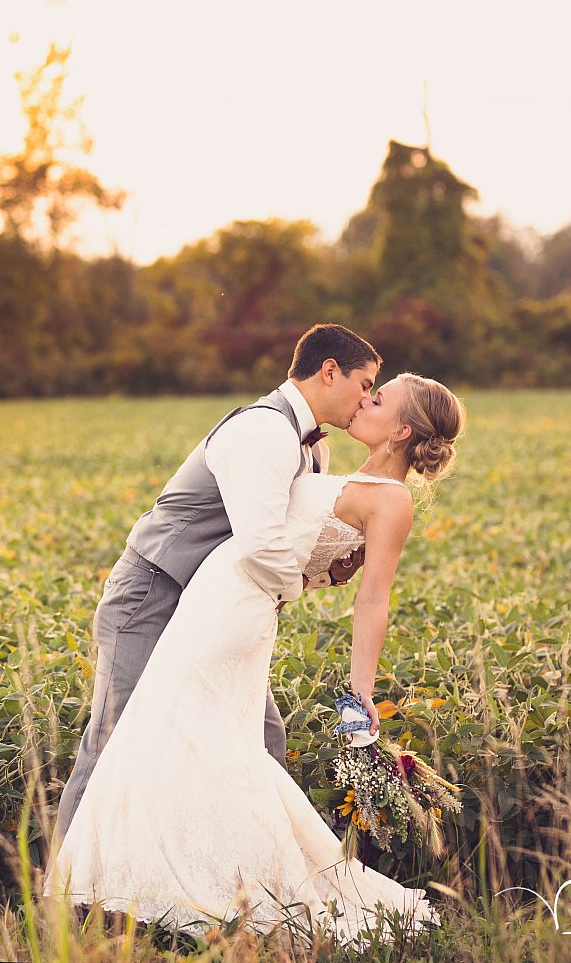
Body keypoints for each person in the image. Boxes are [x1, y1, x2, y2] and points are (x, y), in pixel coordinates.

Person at [44, 372, 466, 950]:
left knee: (196, 742)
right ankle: (136, 888)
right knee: (177, 737)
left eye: (379, 396)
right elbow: (307, 550)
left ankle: (200, 892)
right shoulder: (324, 463)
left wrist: (360, 692)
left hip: (232, 615)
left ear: (401, 429)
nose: (365, 399)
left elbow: (373, 599)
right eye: (368, 385)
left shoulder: (391, 500)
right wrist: (315, 571)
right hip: (213, 599)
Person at [52, 324, 382, 849]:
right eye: (365, 384)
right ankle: (64, 892)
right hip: (152, 596)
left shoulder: (313, 450)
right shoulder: (263, 431)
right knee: (116, 738)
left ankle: (256, 888)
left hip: (210, 611)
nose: (368, 399)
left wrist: (325, 570)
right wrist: (298, 583)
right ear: (328, 371)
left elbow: (277, 544)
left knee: (261, 739)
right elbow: (261, 547)